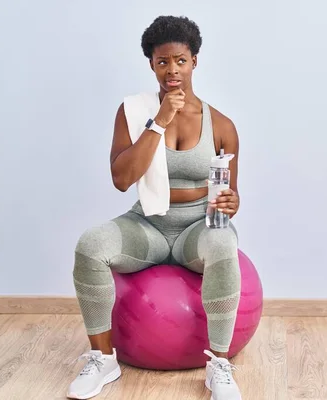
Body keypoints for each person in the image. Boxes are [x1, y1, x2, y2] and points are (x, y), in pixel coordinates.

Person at [67, 15, 243, 400]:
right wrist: (159, 122)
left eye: (180, 60)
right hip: (146, 225)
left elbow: (232, 194)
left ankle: (218, 366)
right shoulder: (133, 112)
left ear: (195, 60)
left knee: (224, 245)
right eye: (162, 62)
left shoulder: (223, 125)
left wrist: (232, 202)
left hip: (197, 228)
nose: (172, 70)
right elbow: (121, 178)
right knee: (90, 245)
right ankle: (103, 360)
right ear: (151, 64)